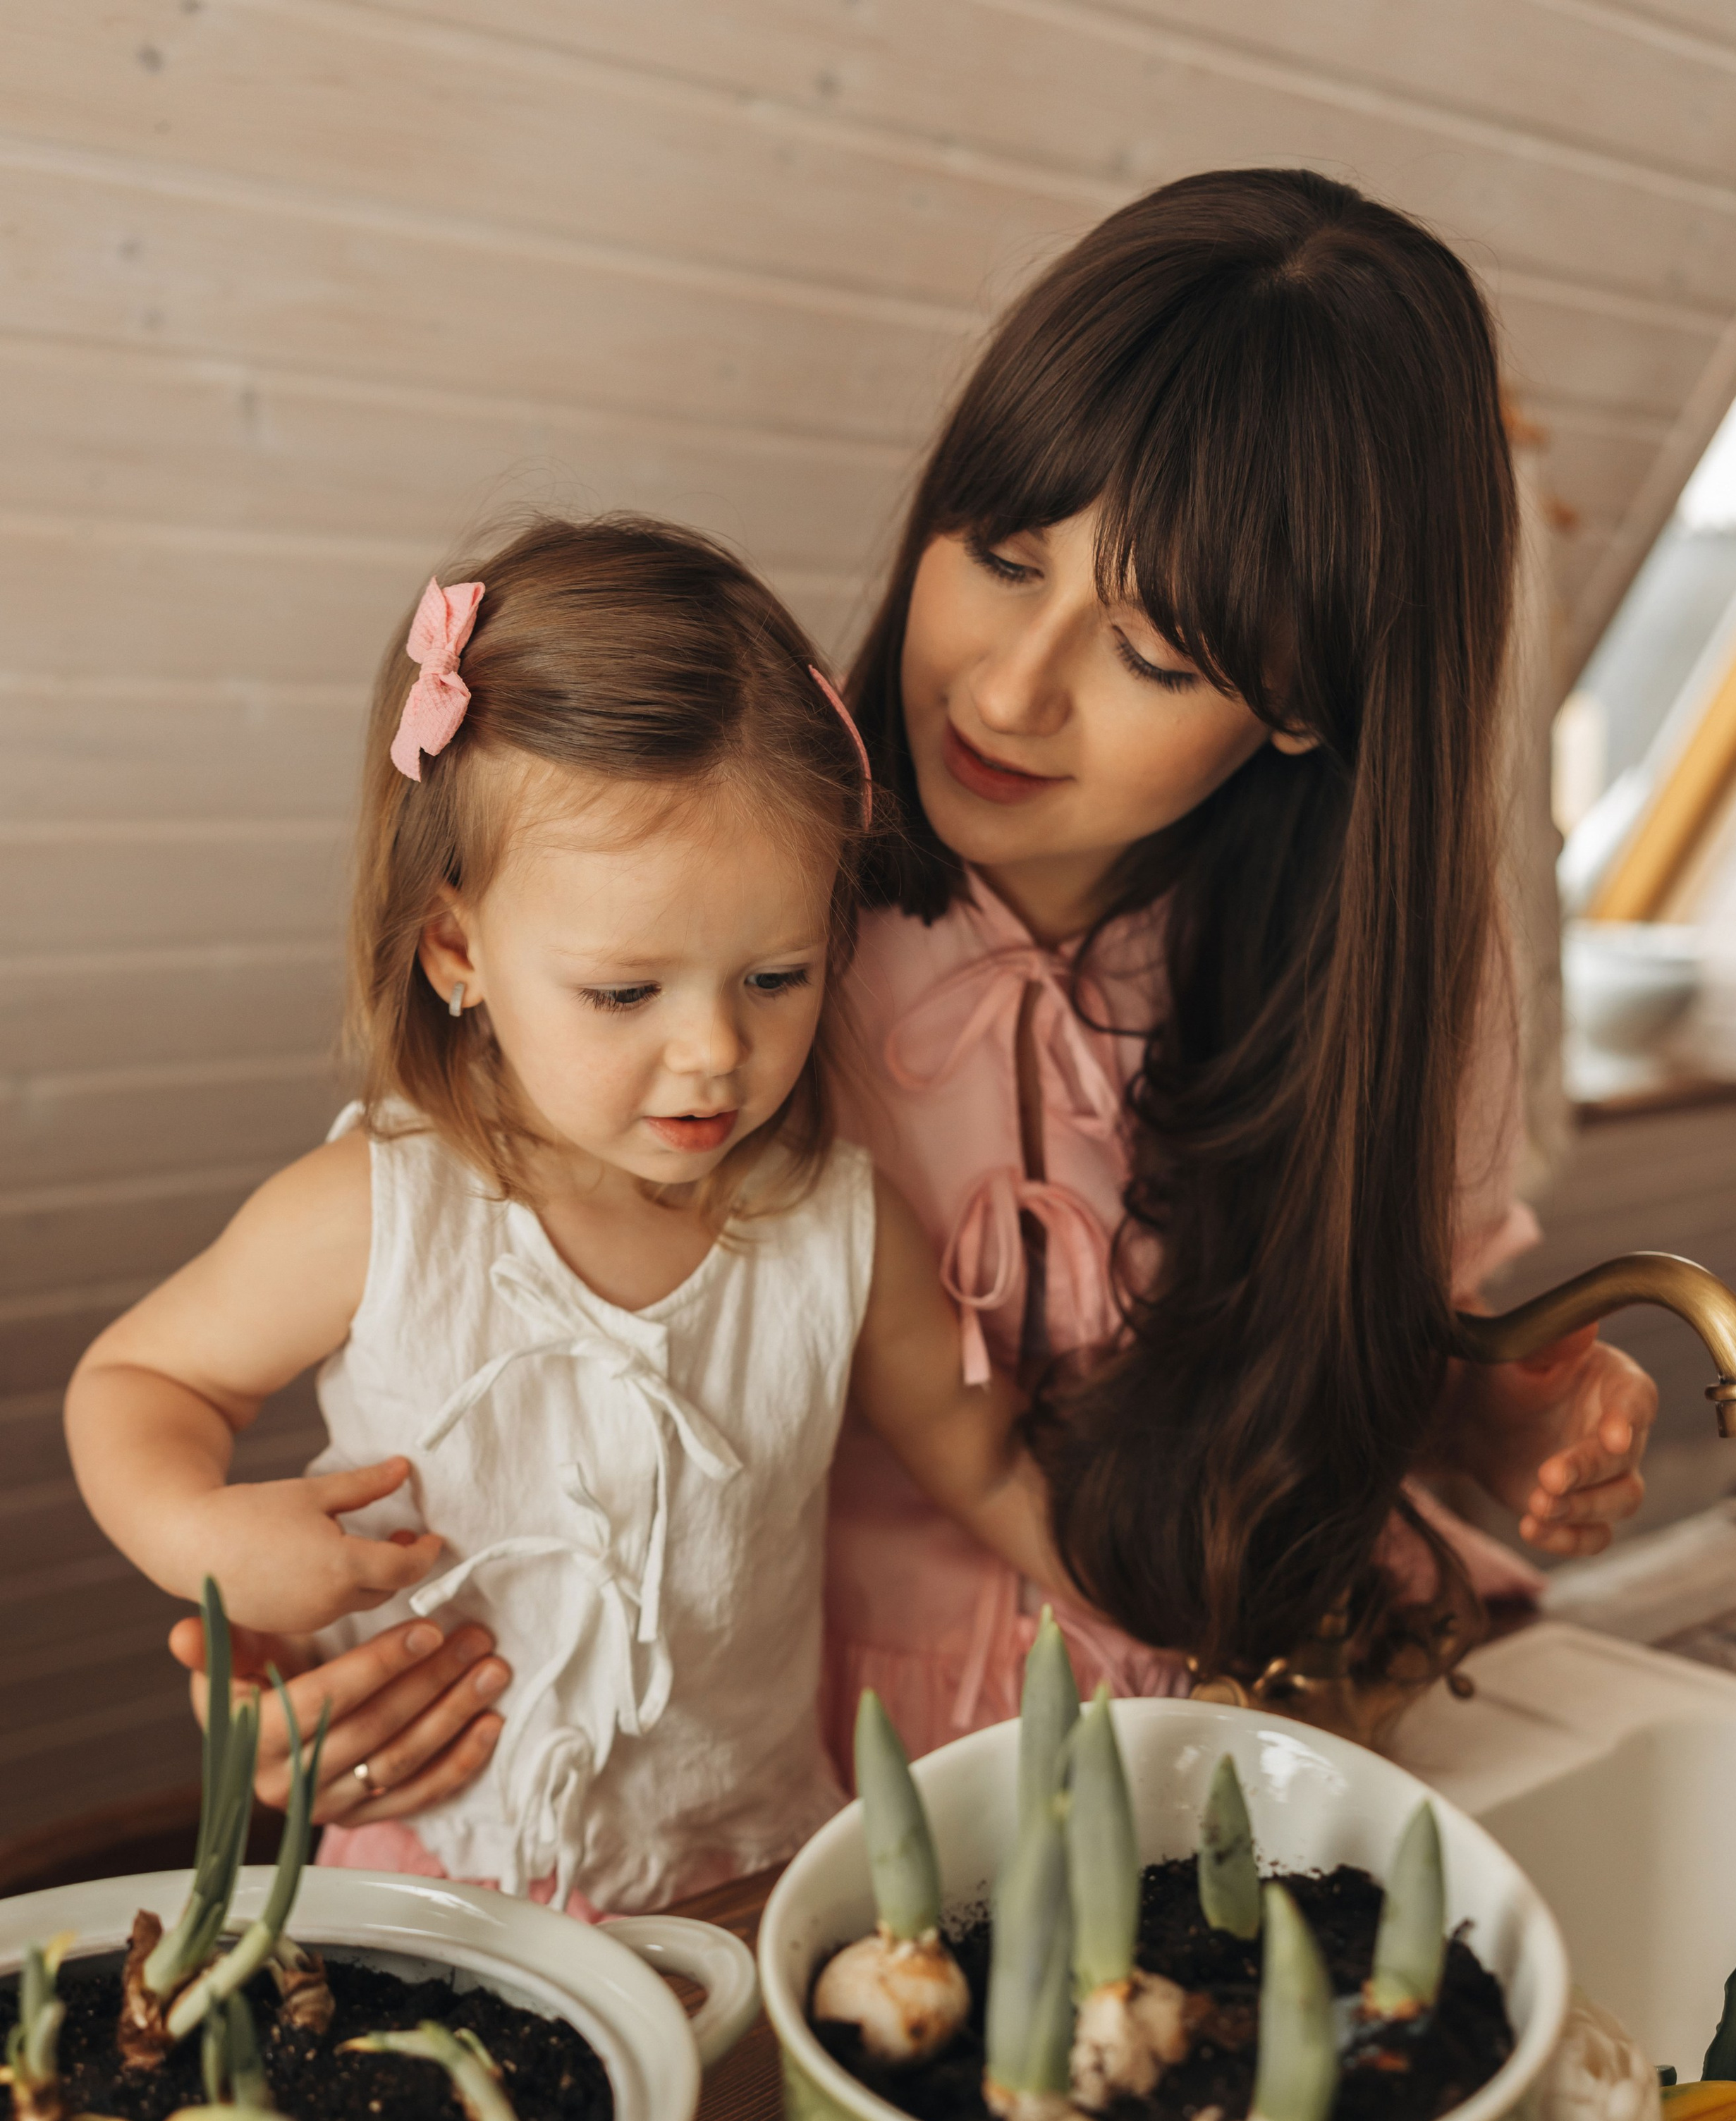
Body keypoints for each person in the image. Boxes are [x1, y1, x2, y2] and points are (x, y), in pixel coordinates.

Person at [64, 518, 1065, 1913]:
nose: (713, 1052)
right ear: (459, 949)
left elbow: (985, 1459)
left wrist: (1174, 1597)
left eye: (774, 977)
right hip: (430, 1855)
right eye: (624, 994)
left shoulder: (838, 1227)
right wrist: (200, 1529)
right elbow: (138, 1377)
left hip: (738, 1864)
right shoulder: (378, 1209)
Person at [819, 168, 1658, 1766]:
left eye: (1146, 653)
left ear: (1305, 702)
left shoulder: (1390, 975)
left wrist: (1488, 1412)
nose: (1008, 691)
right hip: (839, 1765)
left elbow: (1362, 1351)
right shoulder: (751, 899)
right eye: (1000, 555)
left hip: (1260, 1731)